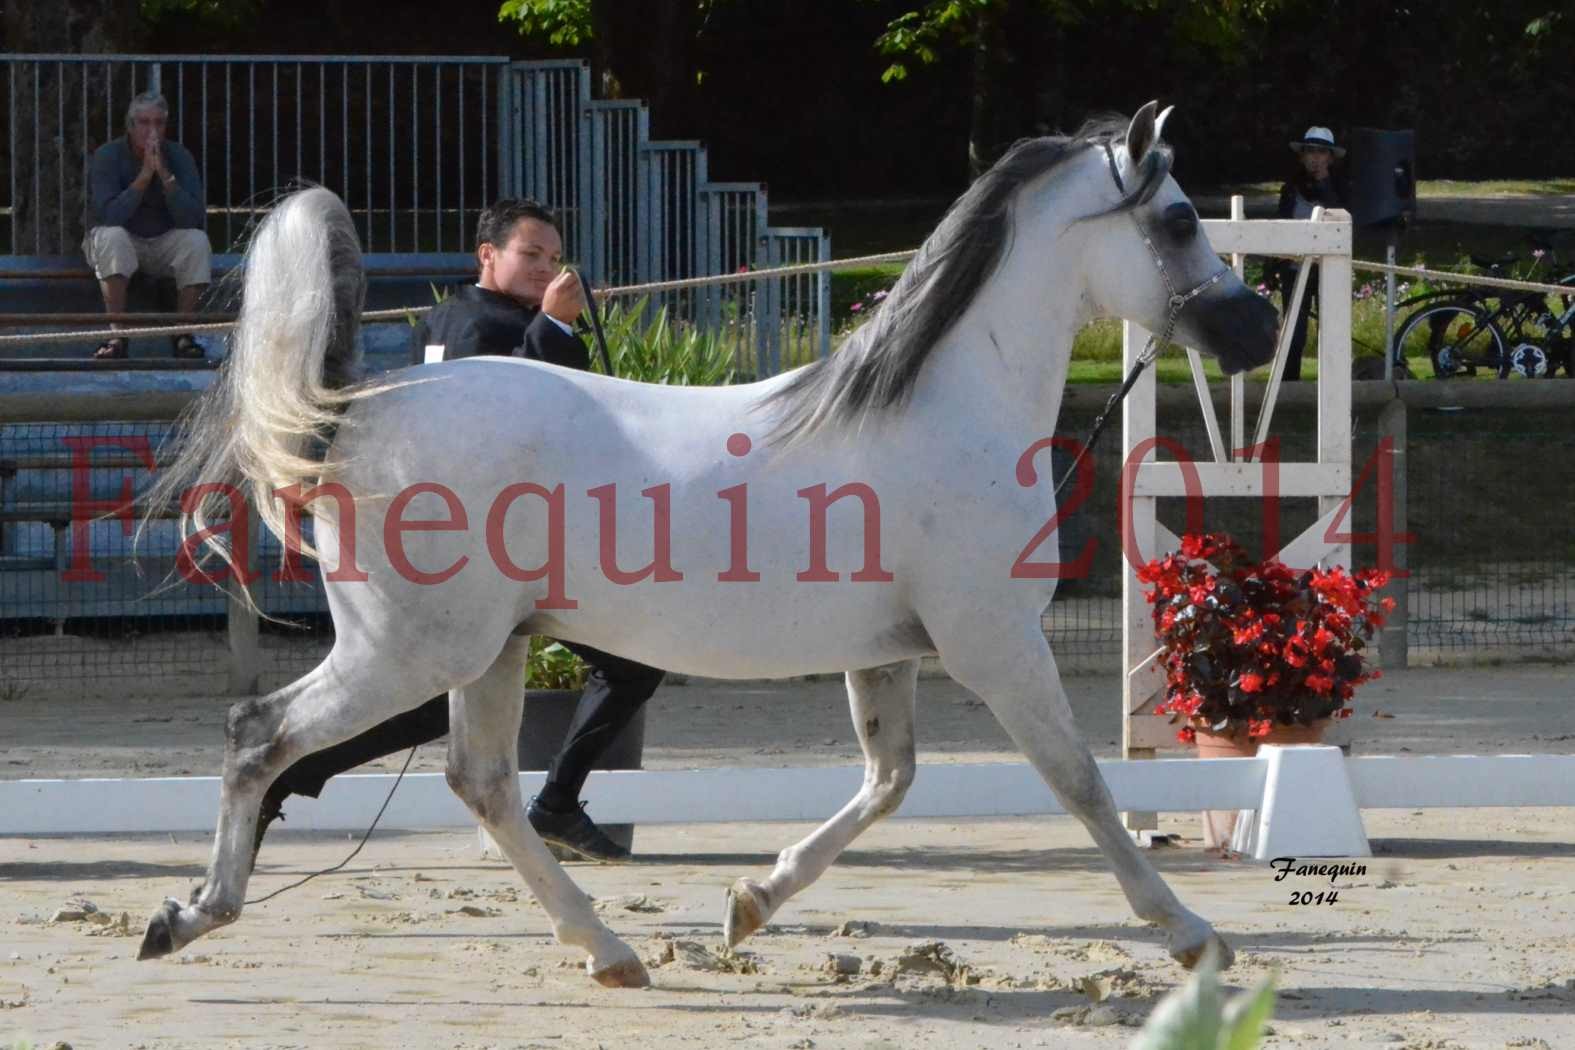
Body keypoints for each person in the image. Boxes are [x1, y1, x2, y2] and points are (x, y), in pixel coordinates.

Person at [254, 199, 665, 864]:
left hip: (489, 548)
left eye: (553, 259)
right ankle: (554, 803)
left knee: (431, 699)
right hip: (490, 553)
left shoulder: (452, 320)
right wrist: (557, 328)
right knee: (625, 667)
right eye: (531, 255)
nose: (545, 268)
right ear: (487, 256)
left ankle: (305, 770)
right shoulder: (485, 326)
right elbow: (497, 417)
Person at [83, 91, 211, 360]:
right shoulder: (108, 156)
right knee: (112, 237)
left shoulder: (179, 156)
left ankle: (183, 334)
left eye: (158, 123)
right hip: (120, 238)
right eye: (143, 122)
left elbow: (192, 218)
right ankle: (116, 335)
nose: (151, 130)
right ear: (130, 126)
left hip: (162, 239)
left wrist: (165, 176)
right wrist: (143, 177)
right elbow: (109, 216)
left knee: (197, 242)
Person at [1273, 125, 1346, 381]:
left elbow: (1341, 215)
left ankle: (1333, 384)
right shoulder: (1291, 188)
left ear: (1330, 157)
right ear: (1302, 156)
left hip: (1329, 269)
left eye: (1321, 152)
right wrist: (1273, 266)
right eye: (1310, 152)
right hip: (1294, 268)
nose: (1315, 158)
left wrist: (1324, 182)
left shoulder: (1341, 186)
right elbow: (1281, 226)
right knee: (1294, 331)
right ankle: (1289, 384)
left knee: (1332, 330)